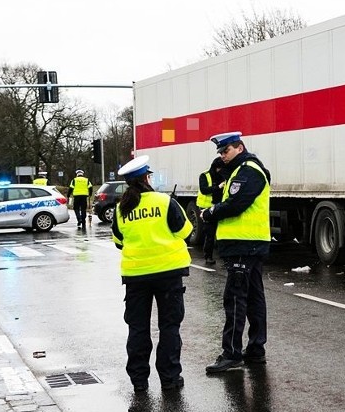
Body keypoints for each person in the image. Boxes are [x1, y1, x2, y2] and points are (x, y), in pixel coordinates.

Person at [112, 155, 193, 392]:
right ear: (147, 178)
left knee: (138, 328)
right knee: (169, 327)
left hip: (136, 277)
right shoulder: (165, 201)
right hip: (169, 274)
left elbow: (118, 241)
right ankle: (169, 378)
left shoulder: (121, 208)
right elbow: (185, 231)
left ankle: (139, 381)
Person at [202, 131, 272, 374]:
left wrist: (210, 213)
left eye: (226, 151)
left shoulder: (249, 170)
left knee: (234, 299)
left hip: (244, 244)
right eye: (221, 153)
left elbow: (235, 204)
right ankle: (255, 350)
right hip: (247, 243)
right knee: (253, 297)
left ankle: (231, 354)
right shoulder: (239, 171)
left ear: (239, 147)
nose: (222, 156)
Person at [197, 156, 226, 265]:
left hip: (220, 207)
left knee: (222, 233)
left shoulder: (224, 176)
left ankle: (223, 255)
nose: (220, 171)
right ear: (215, 167)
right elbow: (204, 190)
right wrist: (218, 187)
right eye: (219, 168)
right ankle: (208, 256)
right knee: (210, 234)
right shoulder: (204, 176)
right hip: (207, 209)